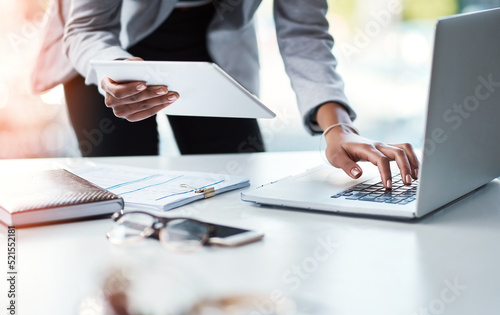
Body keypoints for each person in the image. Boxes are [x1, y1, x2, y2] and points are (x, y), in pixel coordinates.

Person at [35, 0, 419, 189]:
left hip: (212, 46)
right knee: (125, 193)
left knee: (239, 189)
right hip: (108, 50)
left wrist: (338, 126)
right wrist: (113, 73)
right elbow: (87, 28)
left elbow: (304, 34)